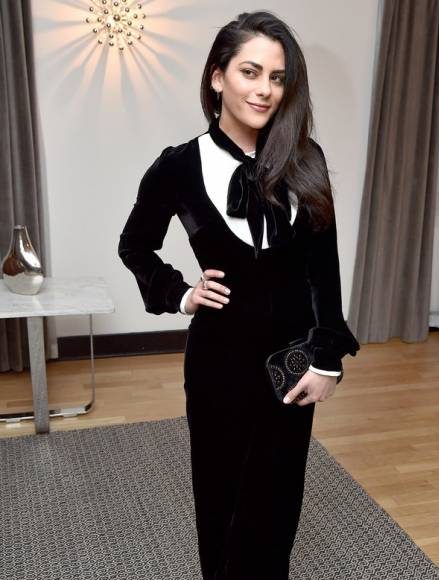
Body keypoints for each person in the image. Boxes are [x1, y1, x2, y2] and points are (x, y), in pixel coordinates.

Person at [118, 10, 360, 580]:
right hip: (218, 361)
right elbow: (135, 245)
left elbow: (323, 270)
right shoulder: (178, 166)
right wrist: (181, 294)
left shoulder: (307, 158)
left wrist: (327, 359)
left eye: (277, 77)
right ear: (217, 76)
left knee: (278, 501)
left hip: (291, 362)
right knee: (220, 498)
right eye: (250, 72)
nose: (264, 89)